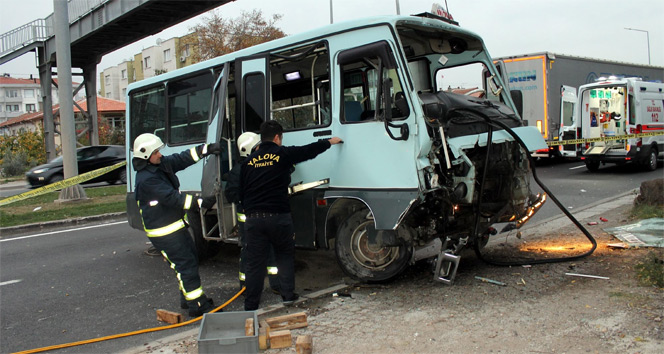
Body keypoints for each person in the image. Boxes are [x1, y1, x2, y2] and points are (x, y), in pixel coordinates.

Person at [240, 121, 343, 311]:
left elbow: (241, 192)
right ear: (277, 137)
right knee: (284, 256)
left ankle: (251, 305)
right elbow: (307, 151)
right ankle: (288, 296)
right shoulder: (282, 154)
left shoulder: (248, 162)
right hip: (278, 216)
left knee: (255, 263)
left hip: (254, 219)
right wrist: (329, 141)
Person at [132, 133, 221, 317]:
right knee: (185, 264)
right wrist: (201, 202)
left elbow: (181, 159)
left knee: (190, 260)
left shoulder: (158, 165)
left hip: (174, 226)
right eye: (156, 152)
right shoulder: (147, 179)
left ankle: (189, 298)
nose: (160, 155)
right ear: (146, 155)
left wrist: (206, 150)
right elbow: (173, 198)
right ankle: (197, 305)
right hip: (164, 233)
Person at [224, 132, 281, 294]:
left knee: (270, 249)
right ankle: (247, 286)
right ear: (250, 150)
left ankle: (276, 284)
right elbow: (231, 194)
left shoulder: (262, 165)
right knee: (250, 253)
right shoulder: (238, 171)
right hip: (249, 222)